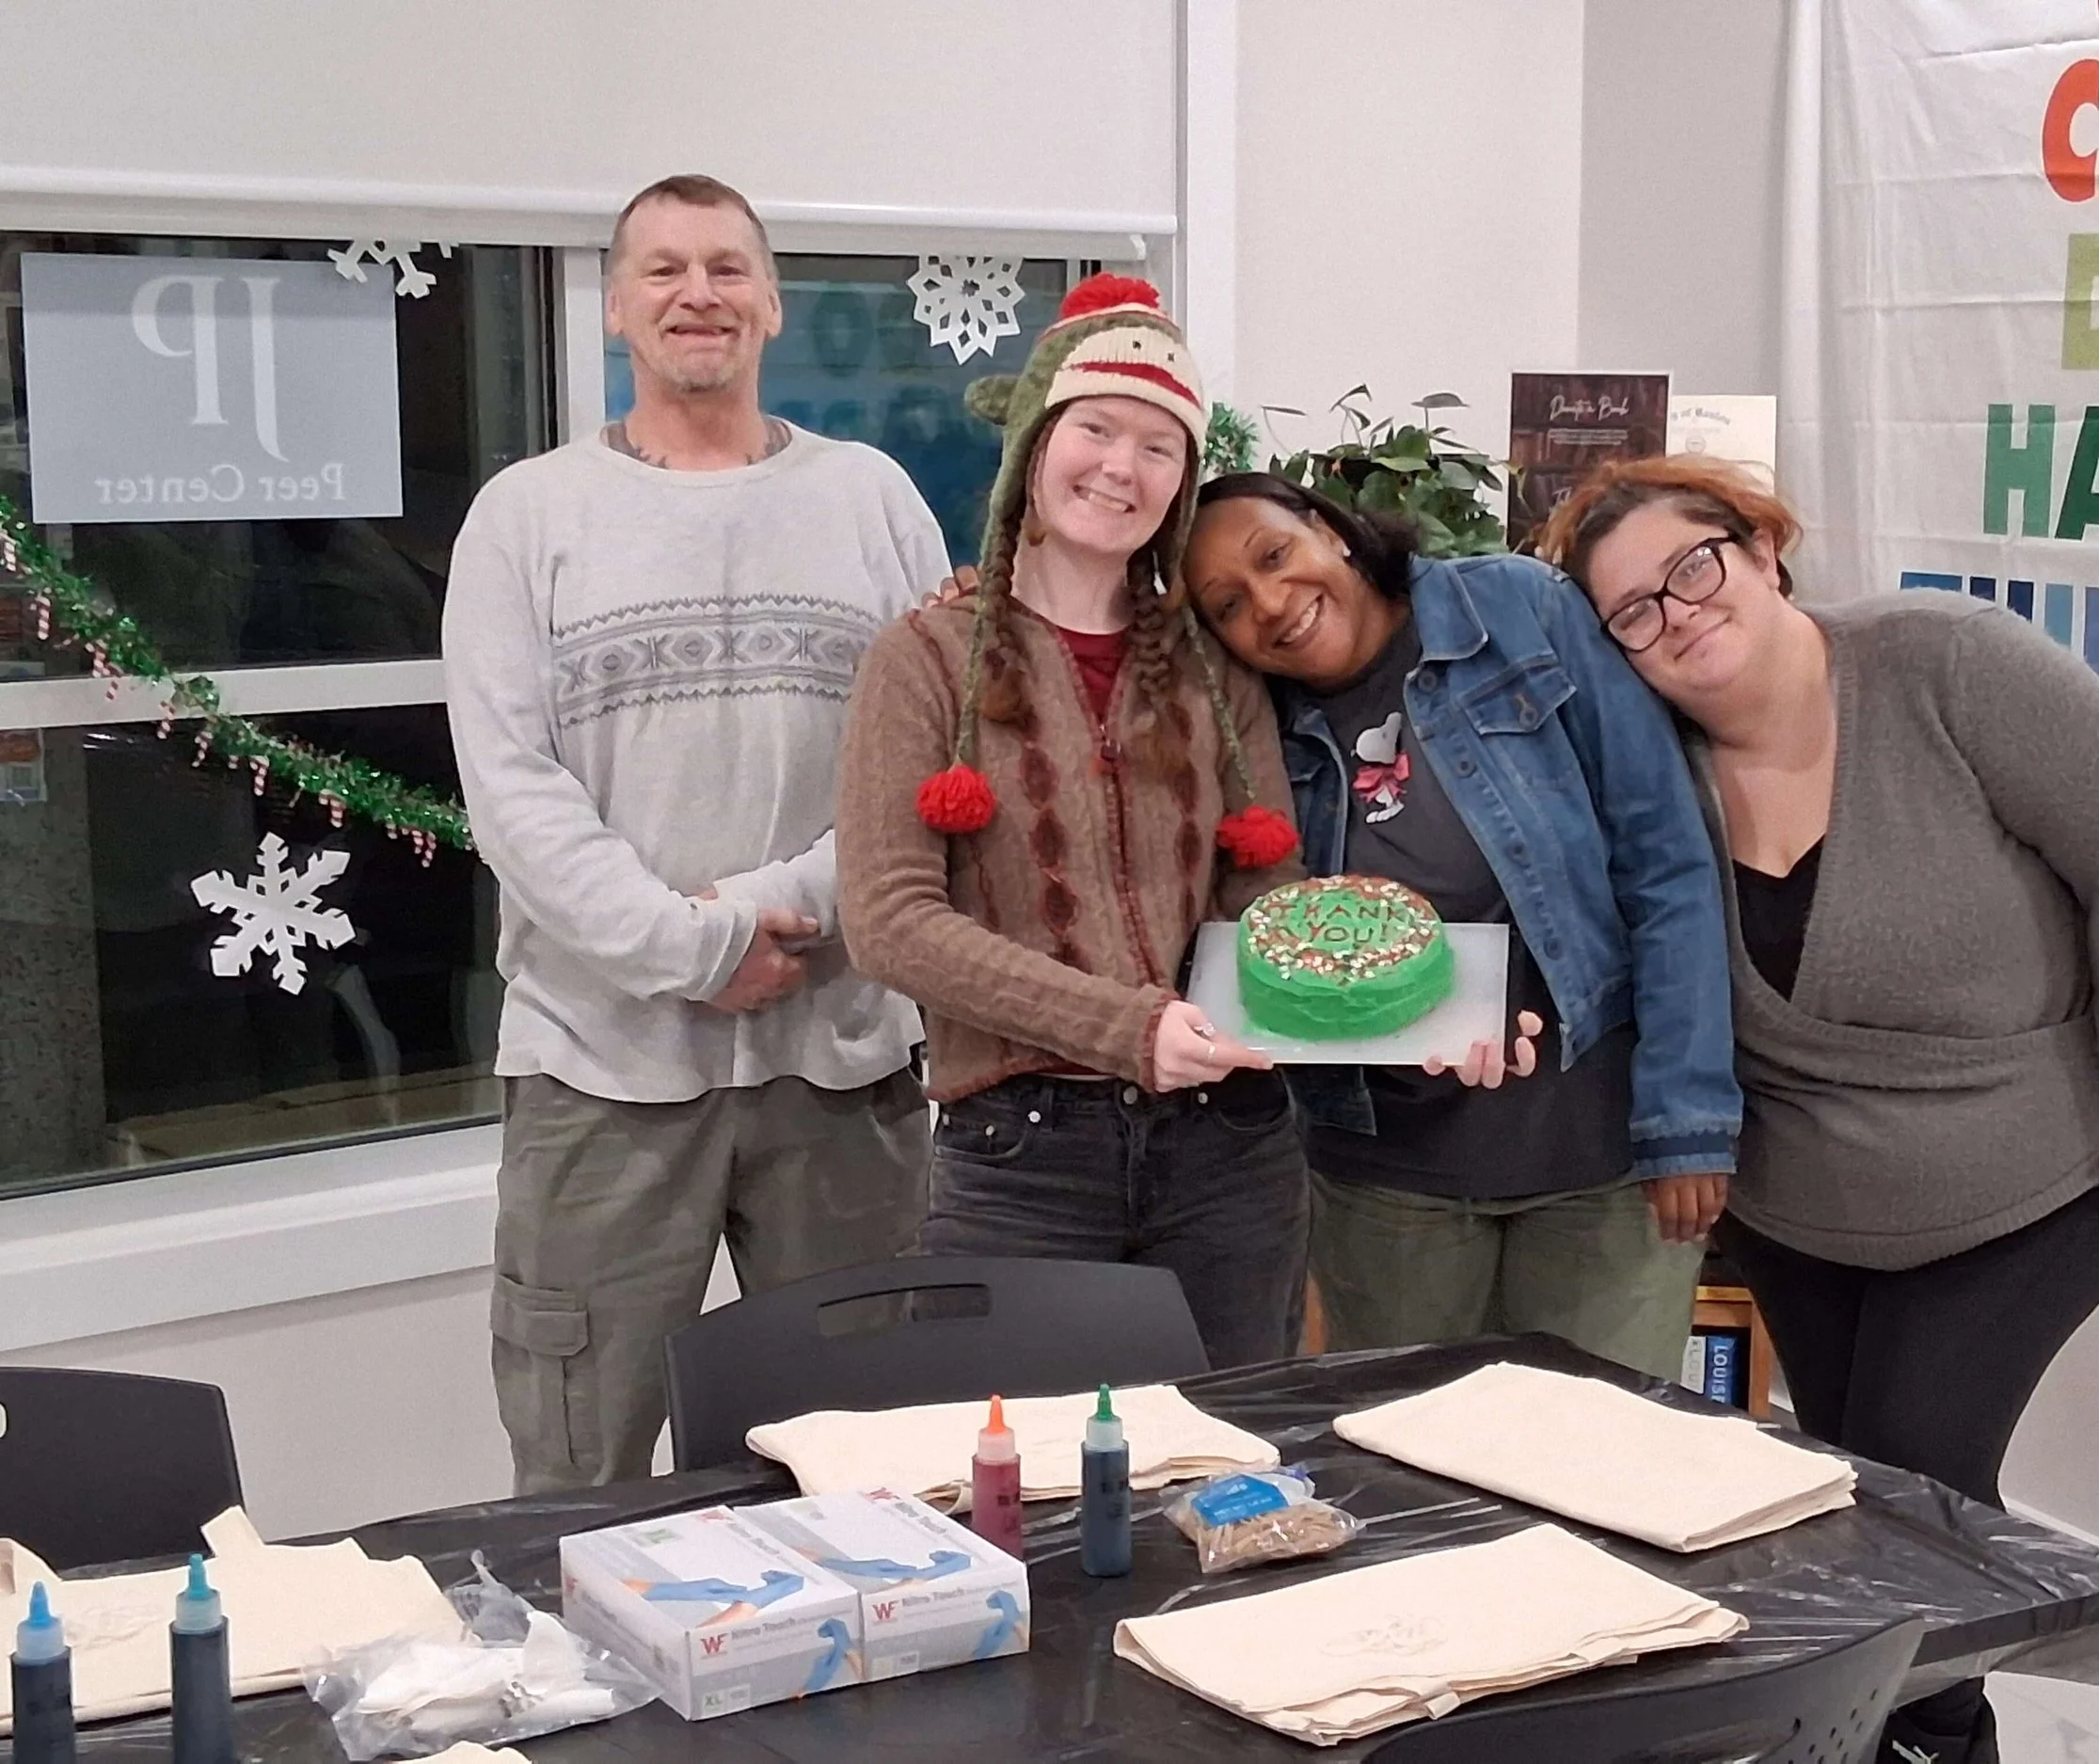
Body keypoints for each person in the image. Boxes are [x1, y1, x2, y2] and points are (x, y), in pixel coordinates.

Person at [1550, 454, 2099, 1764]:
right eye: (1634, 611)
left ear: (1760, 547)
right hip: (1800, 1216)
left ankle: (1922, 1743)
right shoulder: (1658, 776)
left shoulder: (1950, 665)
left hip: (2024, 1185)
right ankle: (1892, 1736)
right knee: (1848, 1493)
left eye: (1694, 566)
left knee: (1918, 1490)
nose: (1678, 613)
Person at [444, 174, 947, 1493]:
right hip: (599, 1074)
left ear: (773, 301)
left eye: (727, 266)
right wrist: (694, 946)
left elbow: (929, 767)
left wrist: (780, 903)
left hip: (841, 1067)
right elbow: (513, 788)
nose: (698, 293)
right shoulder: (526, 515)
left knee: (861, 1471)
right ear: (616, 306)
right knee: (577, 1477)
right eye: (662, 269)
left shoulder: (873, 499)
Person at [835, 276, 1314, 1369]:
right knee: (1021, 1492)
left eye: (1160, 446)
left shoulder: (1212, 667)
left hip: (1231, 1152)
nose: (1121, 467)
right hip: (1021, 1161)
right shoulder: (920, 663)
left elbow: (1262, 893)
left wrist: (1410, 1012)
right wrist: (1128, 1027)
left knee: (1234, 1469)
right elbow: (889, 922)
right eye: (1096, 428)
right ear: (1036, 447)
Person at [1183, 474, 1742, 1380]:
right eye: (1229, 606)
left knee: (1596, 1475)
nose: (1273, 604)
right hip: (1390, 1187)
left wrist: (1687, 1117)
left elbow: (1666, 857)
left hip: (1597, 1159)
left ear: (1328, 529)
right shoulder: (1249, 726)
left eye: (1276, 555)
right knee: (1415, 1489)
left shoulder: (1513, 609)